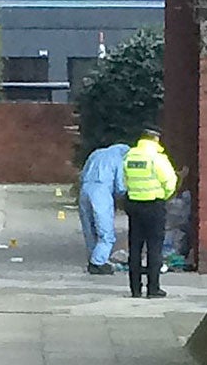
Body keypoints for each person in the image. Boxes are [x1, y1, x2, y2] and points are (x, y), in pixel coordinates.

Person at [121, 123, 178, 298]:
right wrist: (164, 196)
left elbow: (125, 180)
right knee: (154, 247)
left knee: (135, 247)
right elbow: (170, 181)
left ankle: (135, 289)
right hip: (154, 205)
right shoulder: (157, 158)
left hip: (134, 205)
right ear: (155, 139)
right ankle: (153, 288)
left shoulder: (129, 156)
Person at [76, 140, 129, 274]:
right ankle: (98, 262)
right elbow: (120, 187)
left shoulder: (96, 153)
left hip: (85, 190)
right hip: (102, 192)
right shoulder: (120, 158)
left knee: (89, 228)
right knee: (106, 232)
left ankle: (93, 258)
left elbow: (82, 175)